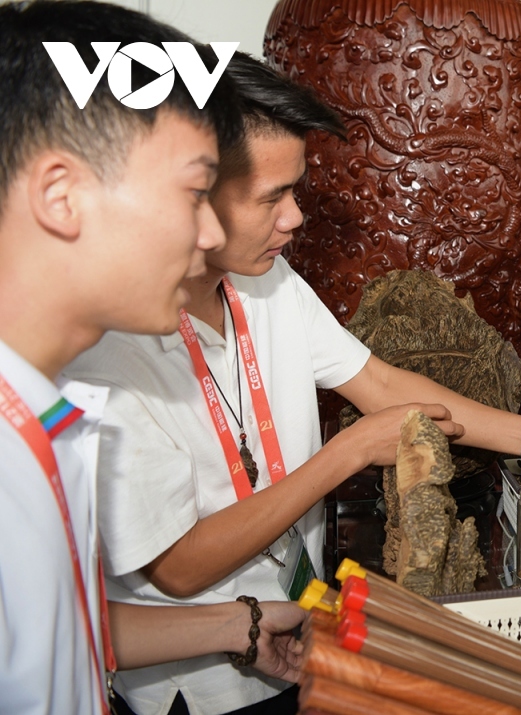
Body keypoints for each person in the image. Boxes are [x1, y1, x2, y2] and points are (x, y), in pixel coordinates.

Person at [64, 52, 521, 715]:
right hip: (197, 685)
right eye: (272, 197)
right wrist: (350, 451)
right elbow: (177, 565)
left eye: (296, 190)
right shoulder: (107, 342)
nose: (295, 218)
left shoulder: (265, 280)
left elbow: (381, 384)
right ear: (192, 190)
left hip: (304, 632)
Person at [0, 3, 309, 714]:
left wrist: (240, 621)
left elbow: (63, 627)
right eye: (197, 191)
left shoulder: (45, 413)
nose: (208, 232)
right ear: (61, 195)